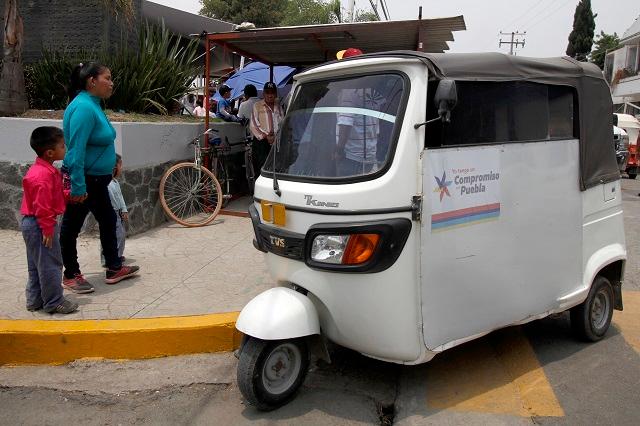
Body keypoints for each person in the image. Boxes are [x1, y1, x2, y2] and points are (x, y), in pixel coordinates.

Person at [60, 62, 139, 291]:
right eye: (108, 77)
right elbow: (76, 150)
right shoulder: (84, 108)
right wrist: (77, 186)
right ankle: (71, 274)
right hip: (85, 180)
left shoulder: (93, 104)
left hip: (98, 180)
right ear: (92, 81)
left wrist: (111, 160)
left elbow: (98, 141)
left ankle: (114, 267)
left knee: (108, 220)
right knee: (71, 227)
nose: (112, 83)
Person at [21, 127, 79, 314]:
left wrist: (69, 196)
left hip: (34, 223)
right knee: (50, 264)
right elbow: (42, 205)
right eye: (62, 146)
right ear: (50, 152)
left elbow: (51, 197)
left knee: (36, 264)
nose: (65, 148)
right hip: (40, 224)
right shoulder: (42, 176)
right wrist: (47, 228)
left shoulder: (44, 170)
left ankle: (35, 300)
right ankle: (54, 301)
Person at [250, 82, 285, 173]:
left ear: (276, 94)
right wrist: (266, 136)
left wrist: (276, 136)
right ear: (263, 94)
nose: (270, 95)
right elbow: (253, 125)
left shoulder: (278, 106)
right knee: (261, 169)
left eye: (272, 93)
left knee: (276, 168)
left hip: (276, 141)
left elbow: (282, 122)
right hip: (261, 142)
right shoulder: (257, 106)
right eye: (267, 93)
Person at [100, 154, 127, 267]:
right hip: (109, 214)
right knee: (111, 236)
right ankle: (108, 258)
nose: (122, 168)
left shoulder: (115, 183)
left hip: (118, 213)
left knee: (120, 235)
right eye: (120, 165)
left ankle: (117, 255)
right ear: (114, 167)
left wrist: (124, 210)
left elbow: (120, 198)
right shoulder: (105, 184)